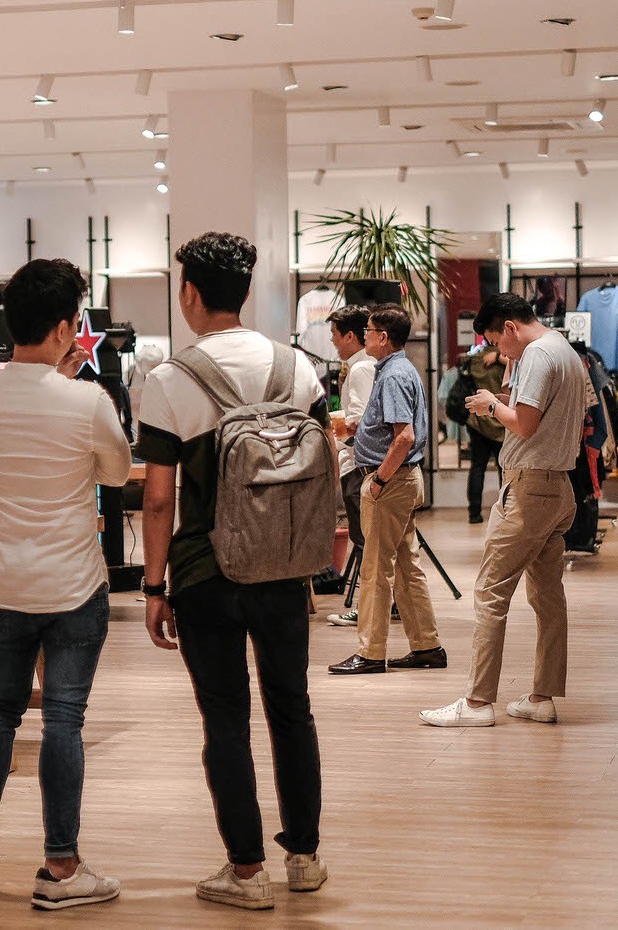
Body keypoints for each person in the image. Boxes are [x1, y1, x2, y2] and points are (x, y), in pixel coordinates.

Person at [138, 231, 330, 911]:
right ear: (245, 291)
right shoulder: (298, 368)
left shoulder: (170, 380)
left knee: (225, 718)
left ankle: (246, 872)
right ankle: (303, 856)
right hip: (283, 567)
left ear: (190, 293)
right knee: (291, 707)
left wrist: (152, 586)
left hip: (205, 572)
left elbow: (158, 498)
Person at [0, 258, 130, 911]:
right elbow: (116, 473)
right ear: (63, 329)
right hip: (74, 584)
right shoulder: (87, 400)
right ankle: (60, 866)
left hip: (6, 582)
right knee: (63, 720)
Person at [421, 293, 587, 728]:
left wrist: (490, 406)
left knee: (490, 591)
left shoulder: (538, 354)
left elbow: (525, 425)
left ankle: (477, 703)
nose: (498, 350)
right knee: (548, 597)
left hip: (529, 489)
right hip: (558, 487)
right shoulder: (564, 350)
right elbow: (542, 415)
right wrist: (504, 390)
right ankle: (542, 697)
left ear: (509, 327)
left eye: (497, 341)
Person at [327, 305, 445, 676]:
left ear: (382, 337)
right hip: (401, 480)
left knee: (376, 570)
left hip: (390, 482)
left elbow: (404, 436)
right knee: (408, 567)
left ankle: (371, 652)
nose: (363, 336)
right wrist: (360, 430)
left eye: (368, 330)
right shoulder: (398, 369)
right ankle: (427, 646)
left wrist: (378, 480)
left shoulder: (392, 374)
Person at [321, 306, 376, 628]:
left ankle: (367, 608)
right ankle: (383, 604)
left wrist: (336, 431)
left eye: (334, 335)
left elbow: (362, 420)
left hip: (358, 464)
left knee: (365, 539)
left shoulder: (361, 368)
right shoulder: (361, 366)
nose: (332, 341)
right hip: (357, 463)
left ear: (350, 336)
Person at [465, 344, 508, 525]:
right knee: (504, 470)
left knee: (477, 467)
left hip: (478, 422)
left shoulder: (475, 360)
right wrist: (499, 358)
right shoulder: (506, 362)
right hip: (501, 420)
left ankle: (474, 513)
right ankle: (505, 511)